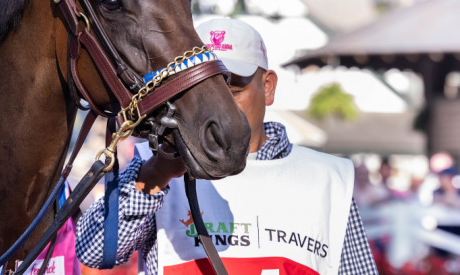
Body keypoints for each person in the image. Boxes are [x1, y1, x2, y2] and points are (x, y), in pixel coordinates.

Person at [76, 18, 378, 274]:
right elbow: (92, 251)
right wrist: (157, 173)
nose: (217, 109)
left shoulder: (328, 178)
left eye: (232, 90)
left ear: (268, 87)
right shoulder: (155, 167)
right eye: (201, 92)